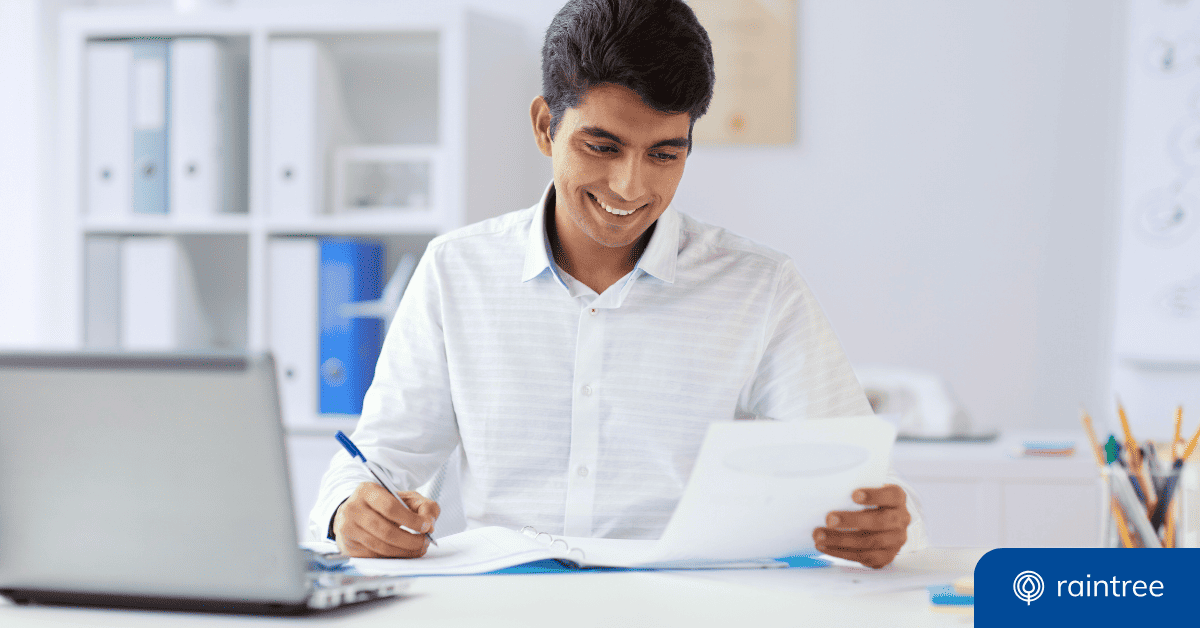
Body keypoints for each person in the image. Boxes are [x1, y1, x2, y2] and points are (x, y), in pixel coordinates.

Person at [311, 0, 926, 570]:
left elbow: (864, 488)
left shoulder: (760, 288)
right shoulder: (456, 271)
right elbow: (377, 462)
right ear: (546, 125)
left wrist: (881, 529)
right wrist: (350, 511)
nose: (631, 187)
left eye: (664, 154)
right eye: (602, 147)